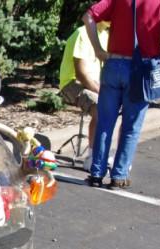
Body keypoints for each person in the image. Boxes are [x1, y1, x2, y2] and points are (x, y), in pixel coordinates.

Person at [83, 0, 160, 189]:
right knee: (131, 126)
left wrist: (98, 50)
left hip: (113, 64)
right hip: (142, 69)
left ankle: (96, 173)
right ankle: (119, 176)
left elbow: (88, 16)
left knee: (105, 122)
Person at [59, 21, 110, 171]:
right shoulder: (82, 34)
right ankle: (92, 157)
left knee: (111, 105)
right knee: (100, 107)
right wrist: (102, 92)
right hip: (72, 84)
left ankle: (102, 153)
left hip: (94, 85)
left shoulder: (105, 36)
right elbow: (81, 74)